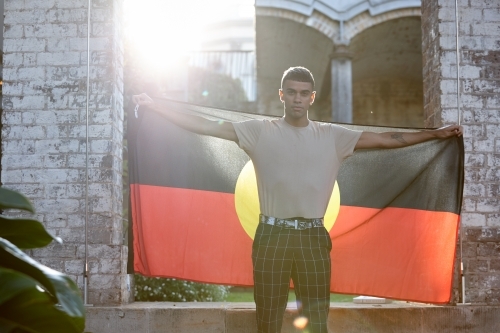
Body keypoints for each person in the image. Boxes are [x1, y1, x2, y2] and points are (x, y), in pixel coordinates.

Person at [133, 66, 462, 333]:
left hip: (313, 239)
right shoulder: (259, 131)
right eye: (291, 92)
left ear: (312, 97)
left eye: (304, 93)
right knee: (268, 322)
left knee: (317, 323)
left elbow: (388, 139)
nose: (297, 99)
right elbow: (206, 125)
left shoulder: (332, 136)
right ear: (282, 95)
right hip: (271, 236)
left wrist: (434, 135)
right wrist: (156, 107)